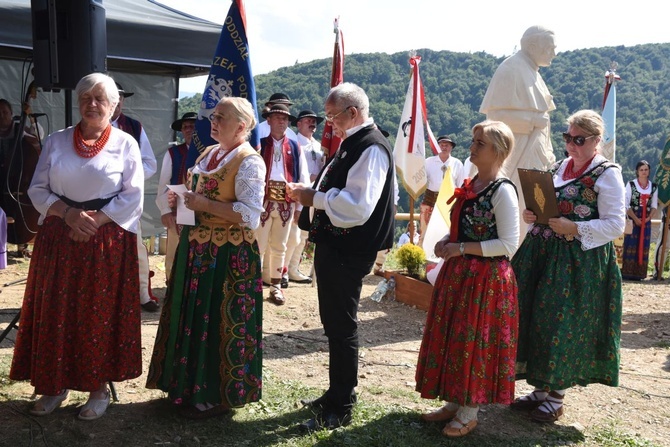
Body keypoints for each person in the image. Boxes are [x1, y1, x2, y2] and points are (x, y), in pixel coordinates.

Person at [9, 72, 144, 420]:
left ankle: (98, 388)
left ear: (114, 106)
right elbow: (37, 189)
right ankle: (53, 386)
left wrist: (94, 222)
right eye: (86, 97)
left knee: (96, 313)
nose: (92, 103)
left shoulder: (126, 143)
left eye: (100, 98)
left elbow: (133, 195)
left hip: (105, 239)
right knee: (56, 311)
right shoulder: (56, 141)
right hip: (60, 235)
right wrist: (68, 215)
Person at [146, 96, 265, 419]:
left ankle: (215, 394)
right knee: (193, 316)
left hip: (227, 255)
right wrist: (180, 199)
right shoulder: (208, 153)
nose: (213, 122)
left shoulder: (249, 161)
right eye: (213, 116)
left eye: (221, 118)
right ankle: (185, 386)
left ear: (241, 126)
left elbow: (250, 215)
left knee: (218, 319)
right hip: (197, 248)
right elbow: (196, 196)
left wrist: (203, 204)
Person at [287, 82, 395, 431]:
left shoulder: (372, 147)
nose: (328, 122)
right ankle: (335, 393)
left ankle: (342, 402)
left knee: (342, 326)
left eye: (332, 115)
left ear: (353, 112)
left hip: (350, 249)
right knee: (334, 324)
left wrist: (313, 198)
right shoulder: (355, 142)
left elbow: (358, 207)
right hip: (337, 246)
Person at [511, 110, 625, 423]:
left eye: (579, 139)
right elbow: (546, 203)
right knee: (536, 317)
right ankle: (540, 389)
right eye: (568, 138)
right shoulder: (560, 167)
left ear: (597, 141)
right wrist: (532, 214)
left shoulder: (607, 173)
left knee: (561, 324)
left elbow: (616, 224)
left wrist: (574, 228)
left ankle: (557, 396)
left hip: (578, 263)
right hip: (543, 255)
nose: (571, 144)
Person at [415, 120, 520, 438]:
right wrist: (447, 238)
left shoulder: (502, 192)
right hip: (460, 274)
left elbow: (508, 244)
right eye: (474, 141)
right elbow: (465, 223)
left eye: (479, 143)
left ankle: (470, 410)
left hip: (485, 281)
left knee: (474, 342)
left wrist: (460, 247)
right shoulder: (472, 184)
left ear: (498, 151)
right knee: (454, 337)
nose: (472, 147)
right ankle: (453, 401)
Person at [480, 26, 558, 240]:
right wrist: (531, 120)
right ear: (532, 46)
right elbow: (494, 118)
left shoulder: (532, 71)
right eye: (549, 47)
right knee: (515, 211)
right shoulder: (511, 69)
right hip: (517, 155)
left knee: (534, 213)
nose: (554, 53)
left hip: (535, 156)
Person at [111, 82, 159, 311]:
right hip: (94, 201)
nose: (118, 102)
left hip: (128, 200)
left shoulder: (134, 126)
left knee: (136, 247)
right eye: (113, 97)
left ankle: (143, 294)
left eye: (121, 98)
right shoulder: (87, 127)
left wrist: (128, 179)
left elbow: (150, 163)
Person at [256, 104, 310, 305]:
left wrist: (299, 207)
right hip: (263, 201)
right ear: (268, 120)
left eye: (285, 119)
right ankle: (253, 285)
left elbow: (302, 176)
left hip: (286, 202)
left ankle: (276, 286)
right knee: (258, 245)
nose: (281, 122)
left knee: (280, 246)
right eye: (277, 117)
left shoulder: (295, 147)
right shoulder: (260, 145)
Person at [282, 110, 326, 285]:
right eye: (308, 120)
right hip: (298, 192)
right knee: (292, 235)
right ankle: (282, 270)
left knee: (304, 235)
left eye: (314, 120)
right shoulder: (293, 143)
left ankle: (293, 268)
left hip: (314, 194)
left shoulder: (319, 145)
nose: (312, 123)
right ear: (298, 124)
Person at [155, 112, 197, 283]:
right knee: (174, 250)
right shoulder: (173, 153)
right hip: (177, 209)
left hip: (203, 209)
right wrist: (165, 211)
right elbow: (163, 184)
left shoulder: (210, 152)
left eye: (192, 126)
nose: (189, 130)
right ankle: (171, 286)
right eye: (185, 127)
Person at [0, 97, 44, 257]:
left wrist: (31, 117)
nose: (2, 116)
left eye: (5, 112)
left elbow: (39, 134)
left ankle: (22, 244)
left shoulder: (21, 129)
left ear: (11, 114)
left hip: (18, 181)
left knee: (21, 207)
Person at [419, 134, 464, 248]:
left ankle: (444, 256)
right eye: (441, 145)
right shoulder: (428, 162)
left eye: (447, 145)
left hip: (449, 201)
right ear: (437, 147)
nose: (444, 147)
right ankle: (423, 254)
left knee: (446, 229)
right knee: (425, 228)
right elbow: (421, 181)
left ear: (451, 147)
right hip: (430, 198)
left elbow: (461, 185)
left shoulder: (457, 163)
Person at [621, 160, 658, 280]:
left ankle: (640, 273)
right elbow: (626, 204)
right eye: (641, 170)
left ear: (649, 171)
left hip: (646, 219)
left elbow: (654, 206)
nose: (644, 172)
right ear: (637, 171)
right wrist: (636, 218)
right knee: (630, 243)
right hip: (633, 217)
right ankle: (627, 272)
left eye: (646, 169)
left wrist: (648, 218)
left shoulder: (653, 187)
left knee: (644, 244)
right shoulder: (631, 184)